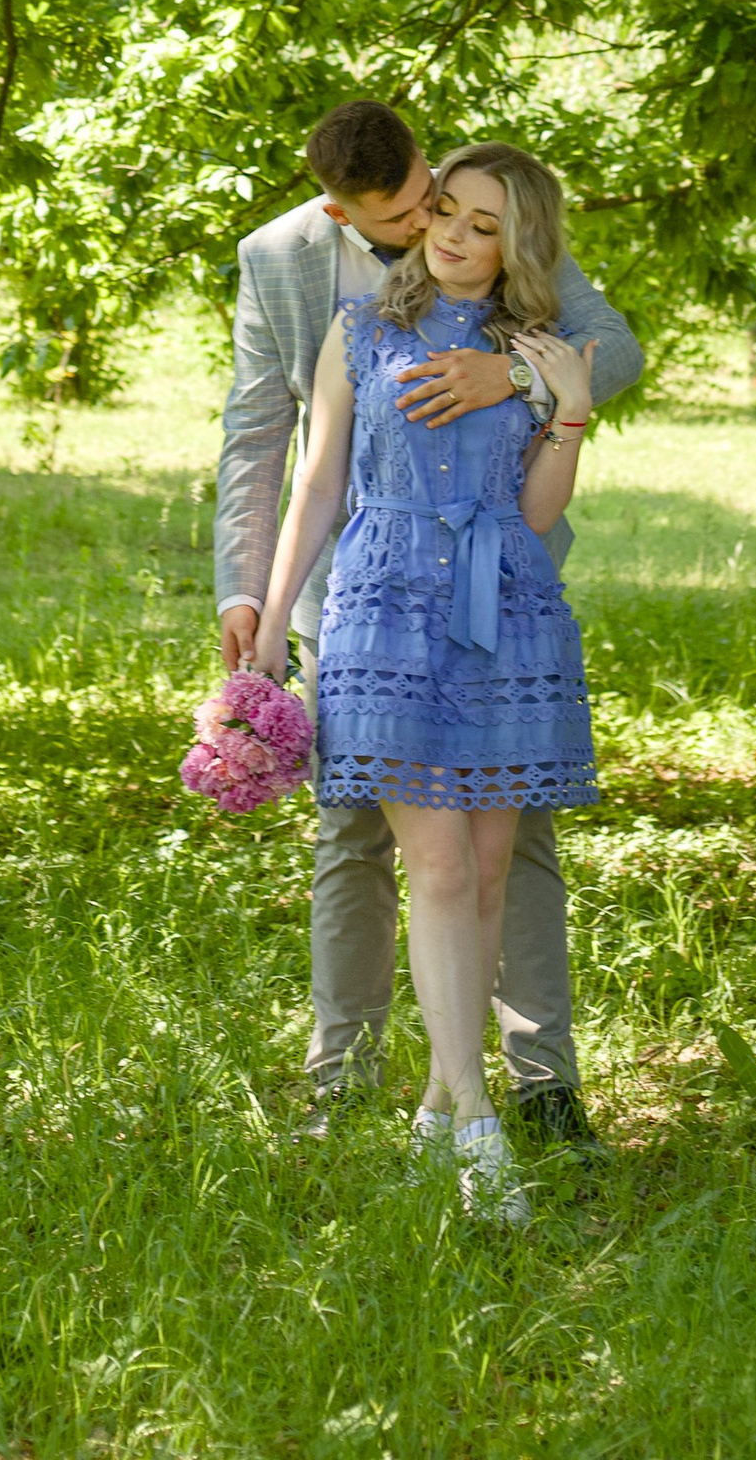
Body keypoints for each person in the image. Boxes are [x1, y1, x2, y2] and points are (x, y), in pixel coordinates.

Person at [214, 100, 641, 1145]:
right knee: (361, 841)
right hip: (365, 593)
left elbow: (607, 351)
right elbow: (269, 439)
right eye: (416, 214)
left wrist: (527, 375)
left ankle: (531, 1083)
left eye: (443, 204)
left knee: (500, 851)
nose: (434, 227)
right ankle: (354, 1079)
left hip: (500, 594)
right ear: (343, 210)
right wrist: (252, 599)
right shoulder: (292, 272)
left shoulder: (500, 233)